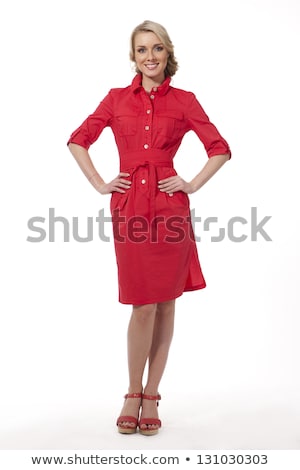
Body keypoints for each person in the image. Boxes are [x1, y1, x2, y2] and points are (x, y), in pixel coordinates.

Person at [67, 20, 231, 436]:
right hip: (129, 209)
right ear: (133, 56)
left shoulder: (185, 100)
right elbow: (77, 140)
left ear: (167, 52)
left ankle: (153, 394)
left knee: (166, 302)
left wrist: (191, 182)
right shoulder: (116, 98)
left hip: (169, 210)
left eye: (157, 49)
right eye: (142, 50)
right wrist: (101, 183)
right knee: (143, 304)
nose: (150, 57)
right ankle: (132, 391)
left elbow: (220, 148)